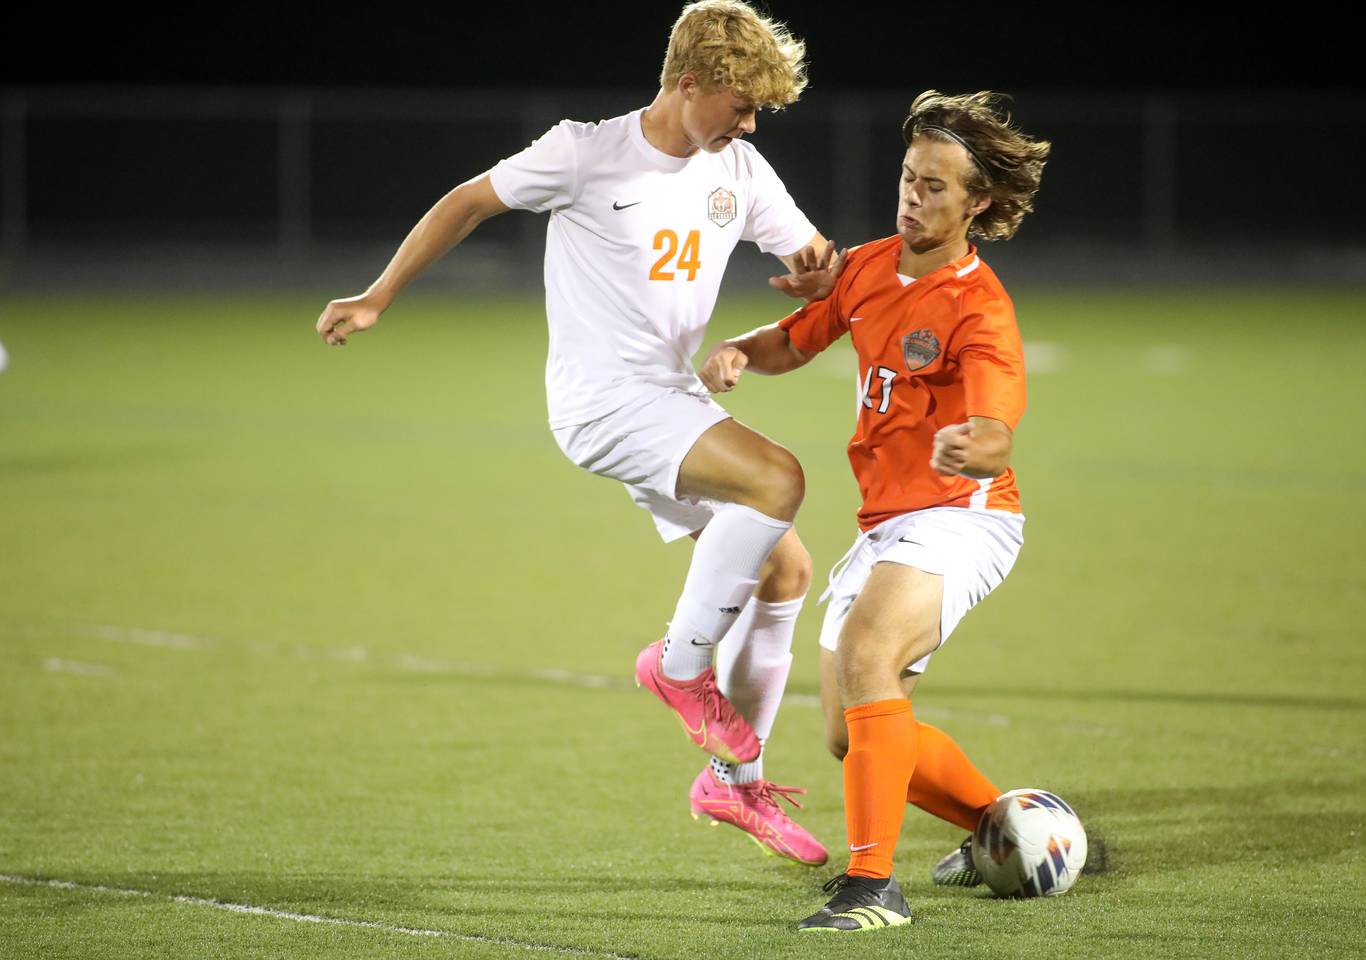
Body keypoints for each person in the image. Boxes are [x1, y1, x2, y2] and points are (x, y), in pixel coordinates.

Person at [315, 1, 833, 866]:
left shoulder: (738, 169)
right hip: (601, 402)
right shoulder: (586, 152)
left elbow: (817, 263)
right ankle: (679, 666)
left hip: (668, 398)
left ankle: (732, 785)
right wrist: (377, 295)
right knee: (779, 479)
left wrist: (816, 286)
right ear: (690, 80)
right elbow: (465, 203)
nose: (750, 123)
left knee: (785, 568)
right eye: (741, 104)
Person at [698, 89, 1051, 929]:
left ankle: (872, 887)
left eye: (934, 186)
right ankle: (1004, 829)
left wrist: (976, 446)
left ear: (979, 204)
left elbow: (999, 427)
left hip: (965, 516)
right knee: (851, 736)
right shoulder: (865, 266)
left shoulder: (979, 307)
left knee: (866, 659)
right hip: (889, 523)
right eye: (908, 178)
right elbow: (798, 337)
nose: (912, 196)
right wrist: (742, 350)